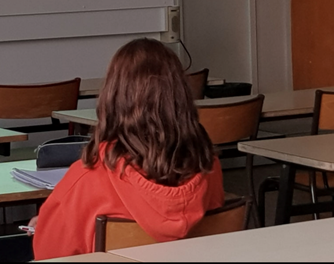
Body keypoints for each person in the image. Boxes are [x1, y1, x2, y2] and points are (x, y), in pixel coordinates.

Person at [30, 38, 224, 260]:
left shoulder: (86, 178)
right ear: (181, 96)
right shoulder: (210, 167)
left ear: (112, 97)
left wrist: (47, 226)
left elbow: (49, 255)